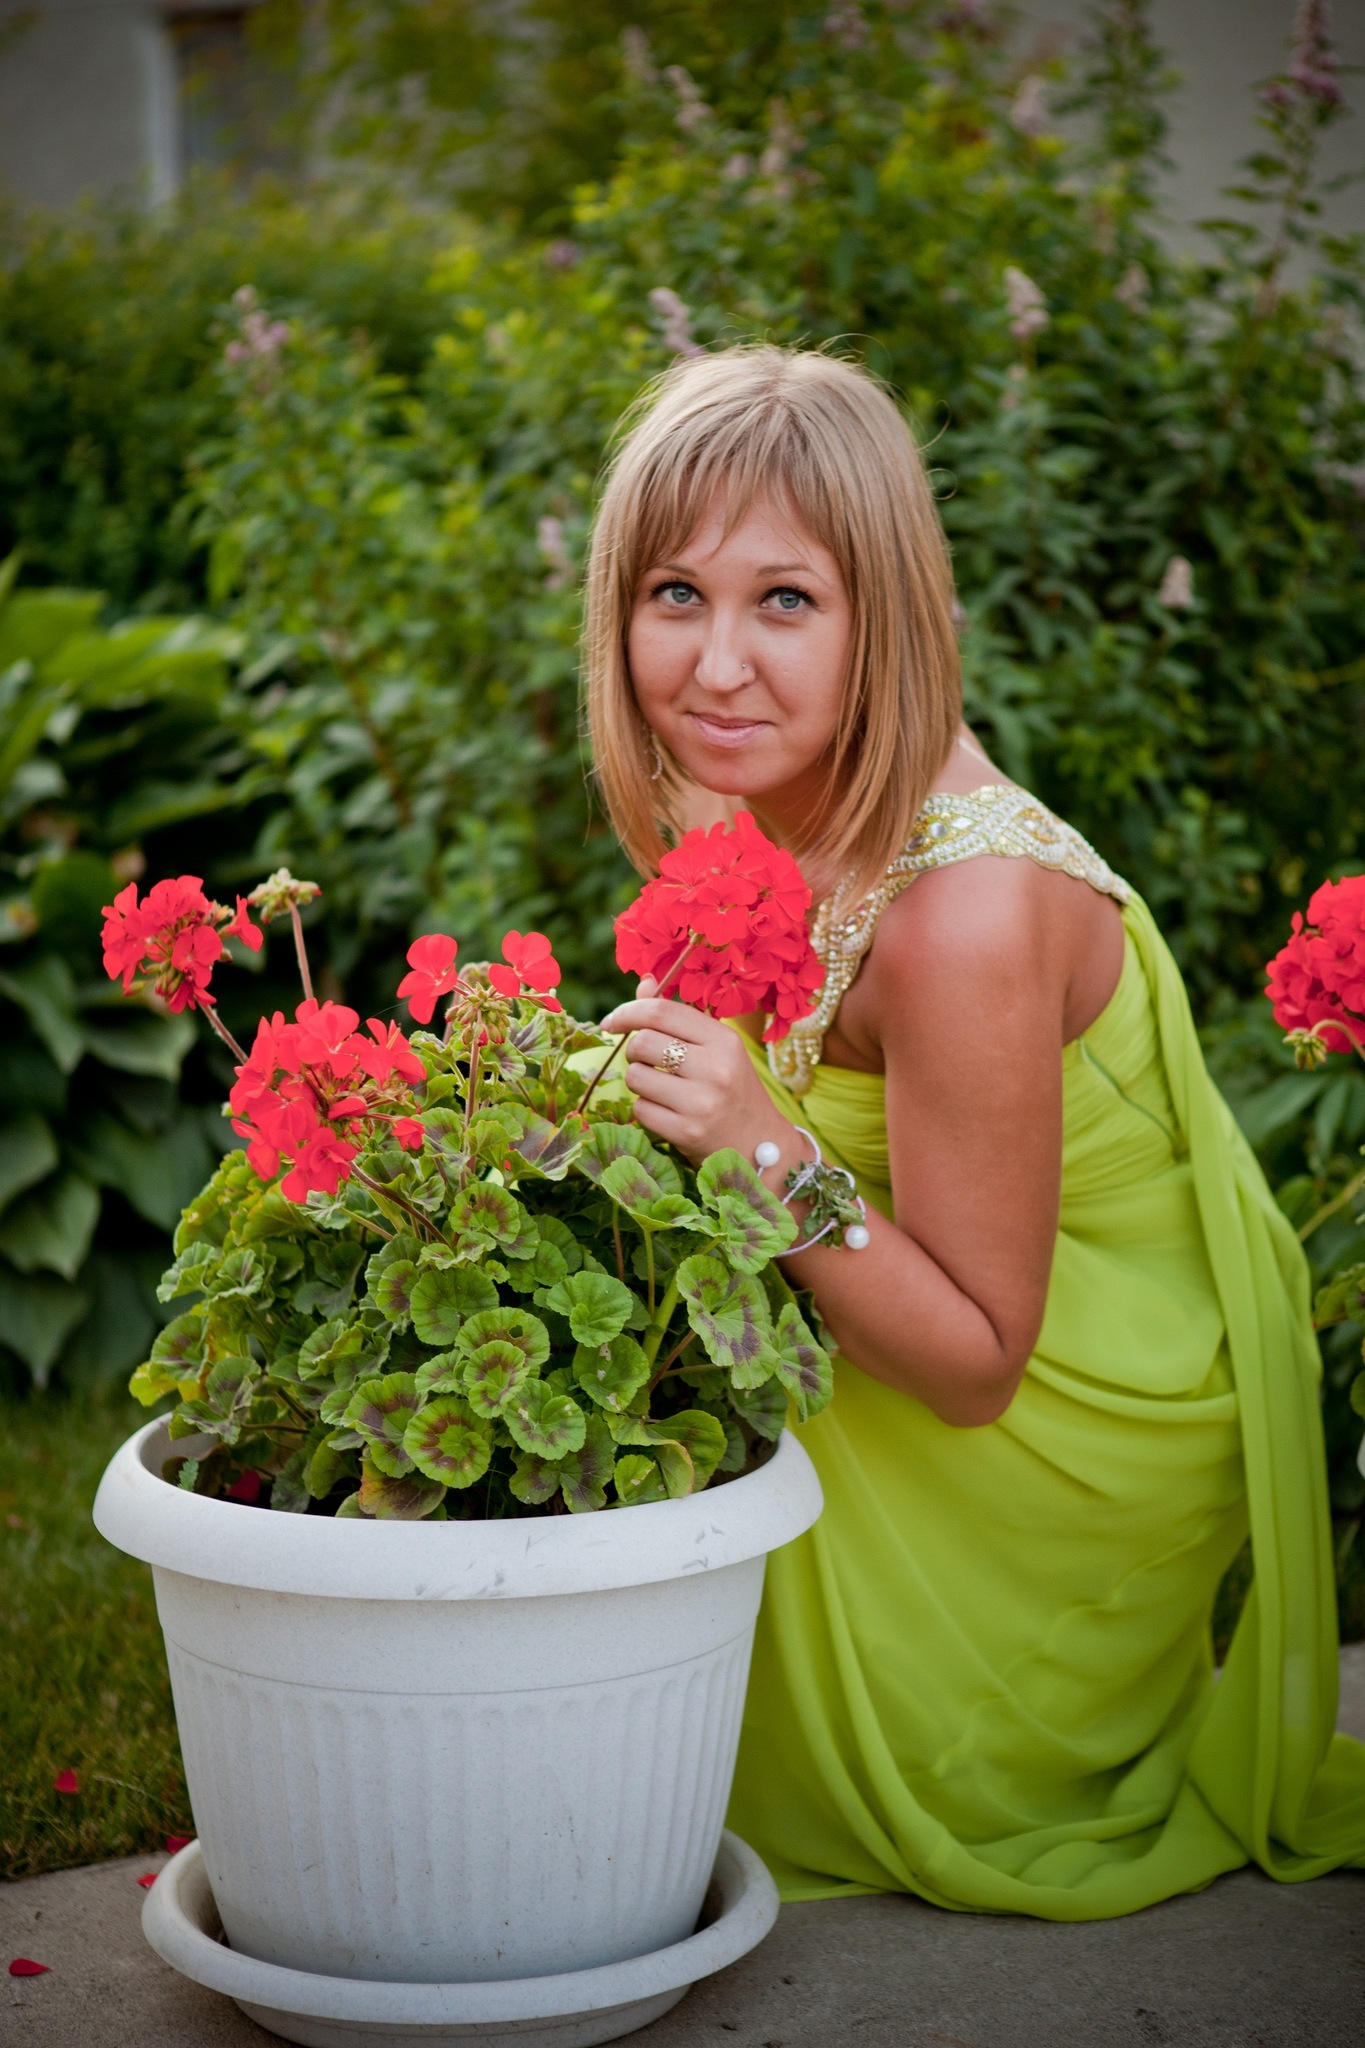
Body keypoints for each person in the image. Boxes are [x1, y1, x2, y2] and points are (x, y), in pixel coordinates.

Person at [584, 343, 1365, 1918]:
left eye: (784, 600)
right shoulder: (753, 793)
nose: (717, 665)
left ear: (885, 614)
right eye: (674, 593)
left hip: (1052, 1446)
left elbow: (975, 1366)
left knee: (620, 1744)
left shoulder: (966, 914)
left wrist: (755, 1146)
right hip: (892, 1340)